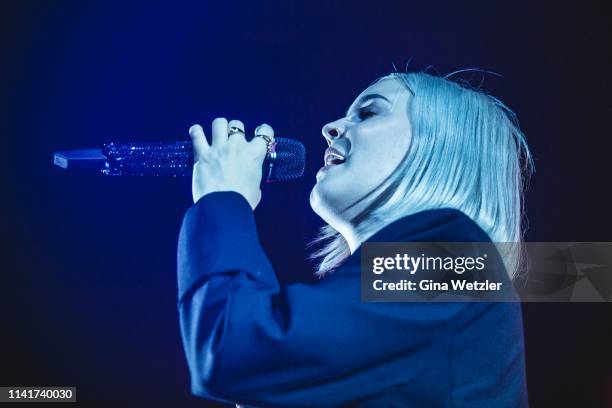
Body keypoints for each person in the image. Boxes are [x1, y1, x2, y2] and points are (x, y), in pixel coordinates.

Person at [177, 71, 533, 407]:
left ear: (440, 146)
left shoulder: (454, 261)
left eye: (369, 113)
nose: (330, 128)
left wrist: (223, 199)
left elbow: (232, 349)